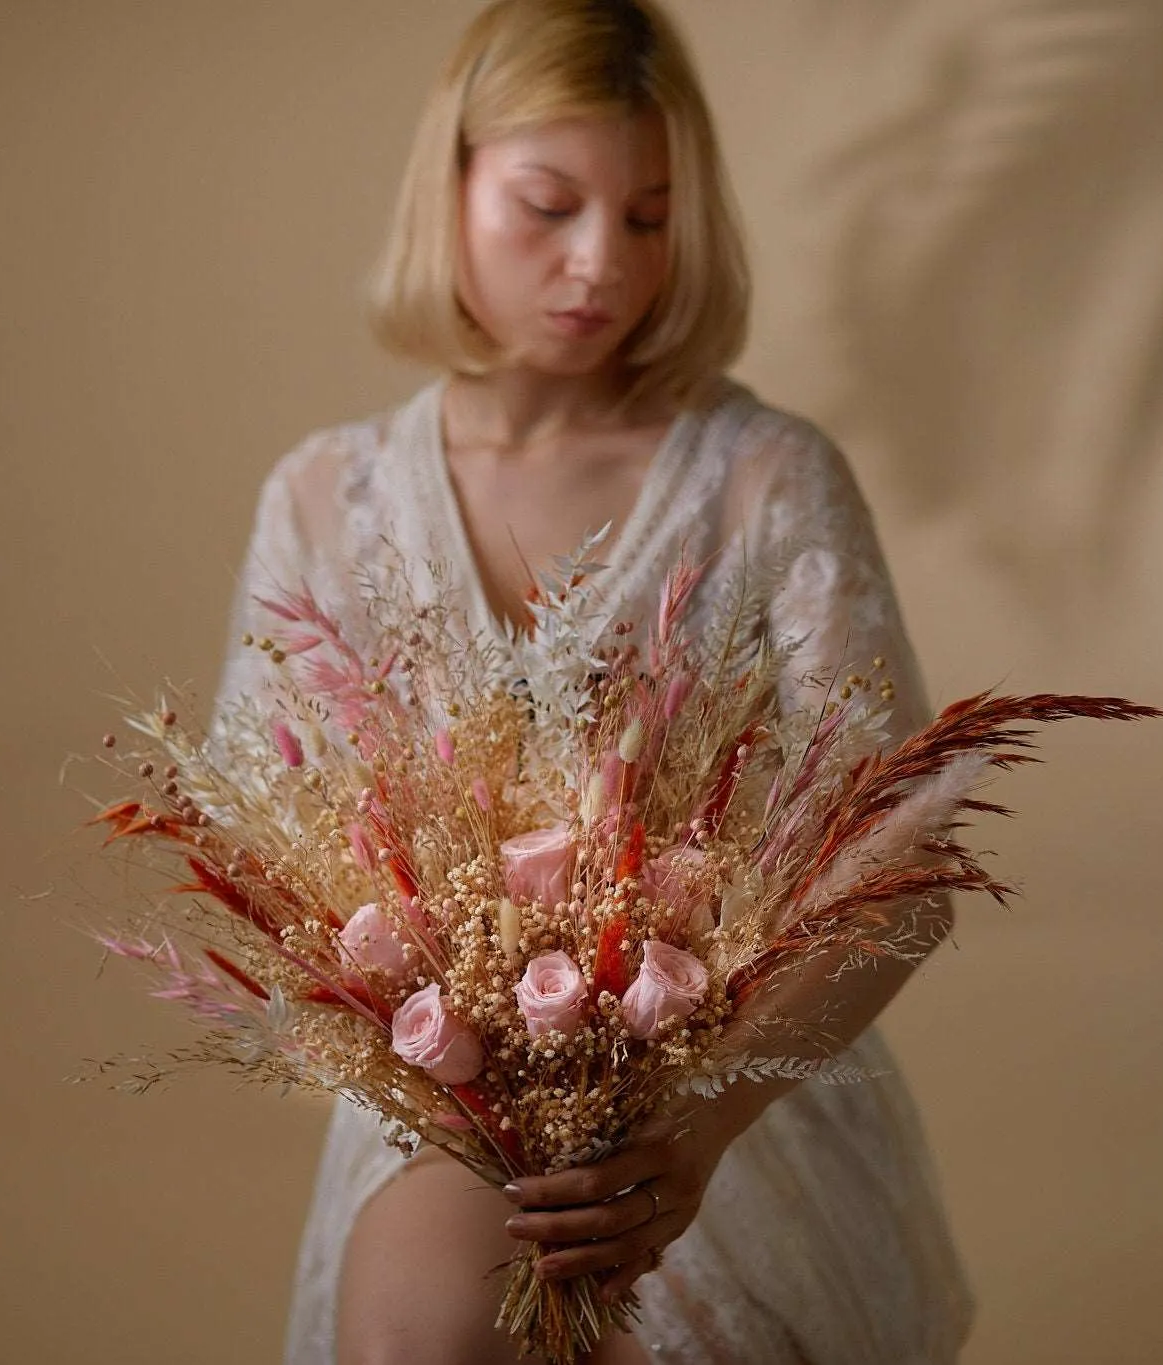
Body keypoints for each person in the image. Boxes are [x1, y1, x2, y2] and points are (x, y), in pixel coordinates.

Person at [212, 2, 976, 1360]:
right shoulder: (326, 498)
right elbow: (265, 875)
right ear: (448, 184)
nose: (596, 266)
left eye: (648, 216)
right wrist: (468, 1074)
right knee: (428, 1336)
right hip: (444, 1105)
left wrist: (694, 1116)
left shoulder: (762, 480)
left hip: (732, 1104)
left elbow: (906, 863)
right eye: (547, 205)